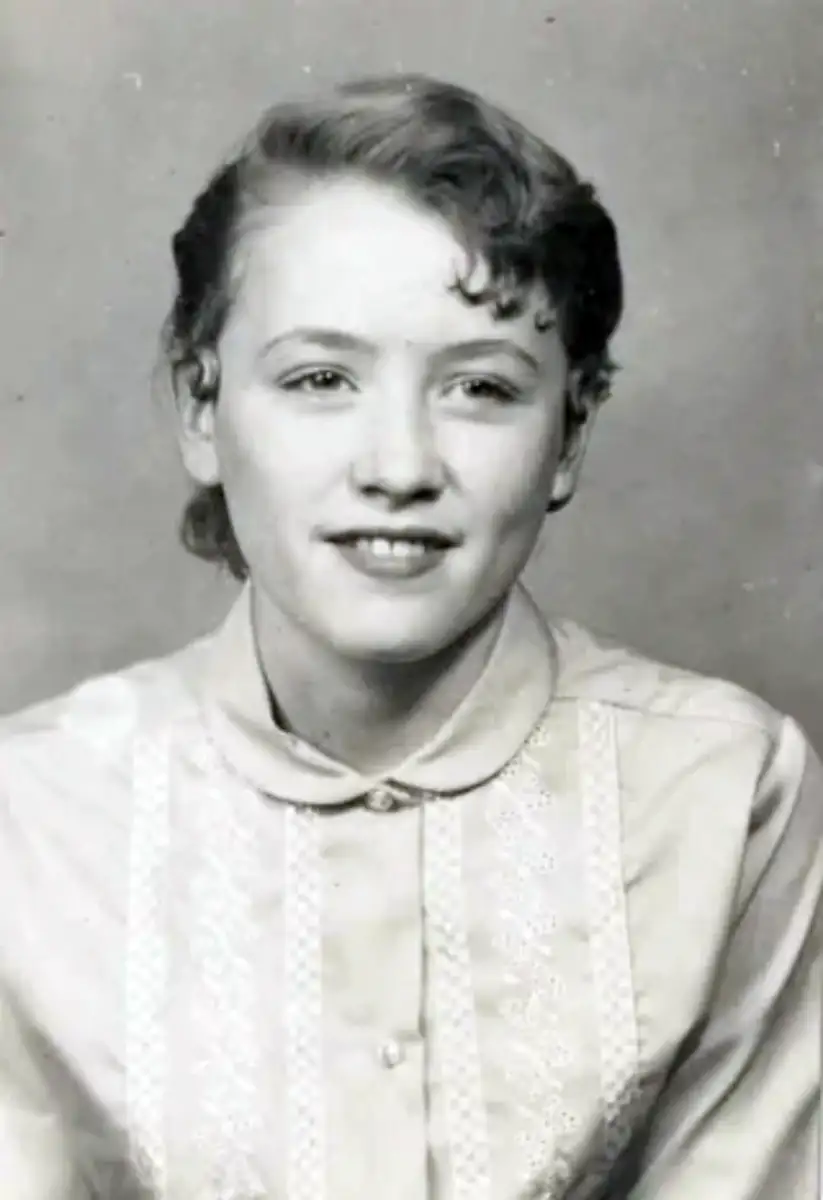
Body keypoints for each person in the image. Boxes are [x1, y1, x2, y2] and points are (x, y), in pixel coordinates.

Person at [0, 73, 820, 1200]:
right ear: (202, 405)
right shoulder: (31, 819)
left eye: (480, 387)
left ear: (569, 432)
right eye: (320, 378)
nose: (397, 466)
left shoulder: (730, 794)